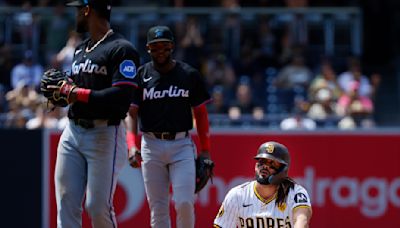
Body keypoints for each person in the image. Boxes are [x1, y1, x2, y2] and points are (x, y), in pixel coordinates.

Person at [55, 0, 140, 227]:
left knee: (97, 207)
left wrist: (77, 93)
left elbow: (122, 97)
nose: (76, 16)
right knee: (66, 202)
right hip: (72, 132)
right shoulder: (82, 48)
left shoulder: (122, 49)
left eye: (77, 10)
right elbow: (74, 86)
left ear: (87, 10)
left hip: (104, 134)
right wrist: (62, 89)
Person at [126, 25, 212, 228]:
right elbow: (131, 113)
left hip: (181, 144)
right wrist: (131, 145)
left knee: (184, 202)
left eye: (164, 46)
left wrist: (206, 150)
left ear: (172, 46)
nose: (160, 51)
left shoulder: (189, 75)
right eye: (155, 47)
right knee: (158, 208)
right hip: (151, 144)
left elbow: (201, 114)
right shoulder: (141, 75)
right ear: (148, 49)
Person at [214, 141, 312, 228]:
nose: (265, 166)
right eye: (261, 161)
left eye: (272, 163)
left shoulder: (295, 192)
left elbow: (302, 220)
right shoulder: (237, 195)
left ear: (283, 170)